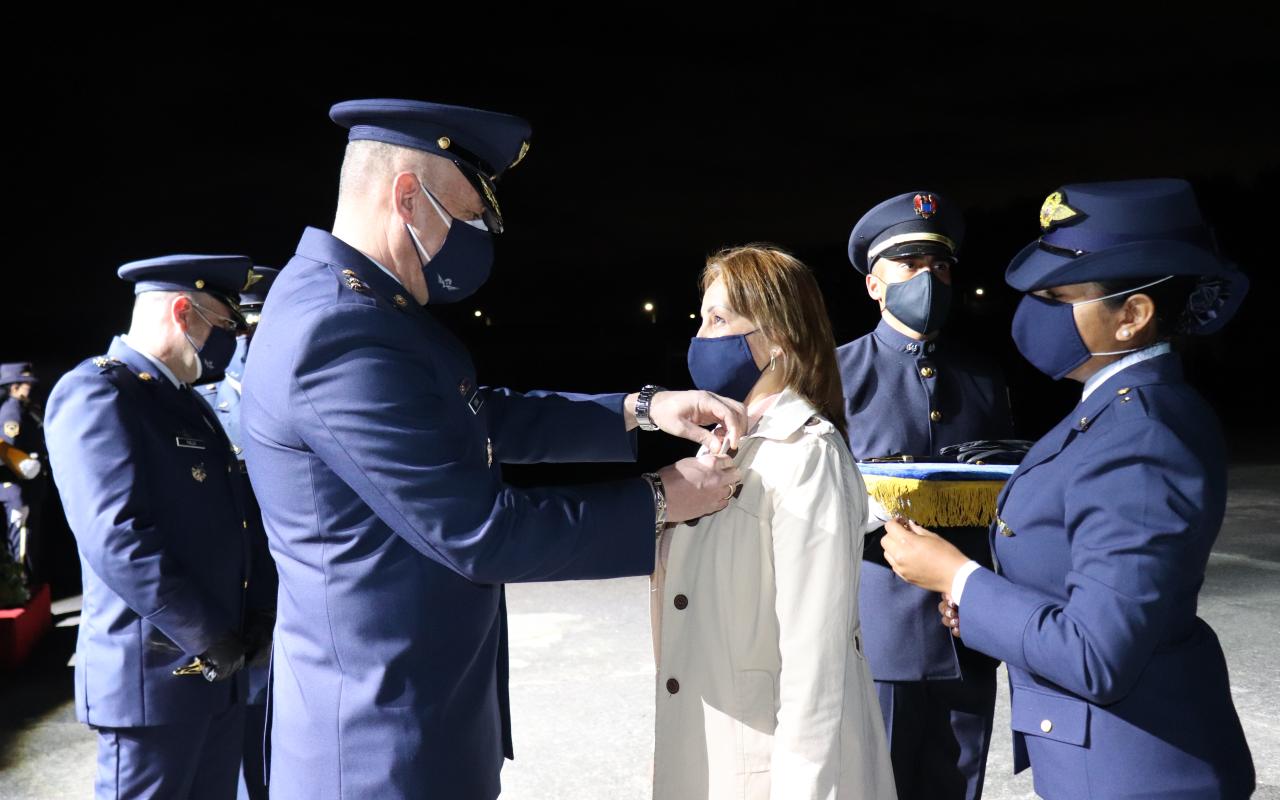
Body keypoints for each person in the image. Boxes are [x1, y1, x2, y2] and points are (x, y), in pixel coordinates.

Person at [240, 98, 746, 800]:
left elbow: (477, 418)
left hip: (421, 716)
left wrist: (642, 409)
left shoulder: (372, 312)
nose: (481, 232)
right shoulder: (337, 332)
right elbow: (482, 533)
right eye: (472, 211)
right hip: (377, 749)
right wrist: (664, 497)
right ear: (408, 197)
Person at [882, 179, 1256, 799]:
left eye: (1059, 296)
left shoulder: (1143, 436)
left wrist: (957, 578)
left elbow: (1096, 655)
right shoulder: (1110, 412)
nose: (1036, 310)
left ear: (1132, 315)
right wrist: (982, 604)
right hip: (1117, 760)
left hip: (1135, 774)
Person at [652, 244, 895, 800]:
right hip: (717, 756)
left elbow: (815, 661)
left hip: (773, 772)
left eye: (719, 320)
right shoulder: (726, 446)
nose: (701, 337)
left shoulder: (807, 453)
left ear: (779, 341)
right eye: (701, 319)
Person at [44, 254, 274, 799]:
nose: (233, 341)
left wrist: (256, 616)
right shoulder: (100, 393)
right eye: (225, 325)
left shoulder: (186, 404)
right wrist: (207, 637)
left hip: (221, 671)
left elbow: (237, 521)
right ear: (182, 311)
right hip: (154, 677)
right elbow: (117, 537)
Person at [837, 191, 1012, 799]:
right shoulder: (835, 375)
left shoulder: (985, 378)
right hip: (877, 633)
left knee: (958, 786)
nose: (928, 278)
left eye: (939, 265)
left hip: (968, 632)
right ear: (873, 286)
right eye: (910, 264)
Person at [195, 266, 280, 800]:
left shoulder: (306, 393)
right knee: (247, 744)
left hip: (302, 597)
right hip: (241, 606)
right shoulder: (201, 409)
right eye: (246, 322)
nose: (253, 334)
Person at [1, 362, 49, 580]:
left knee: (29, 538)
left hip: (28, 487)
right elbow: (6, 450)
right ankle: (22, 587)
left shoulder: (25, 409)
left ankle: (28, 585)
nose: (30, 388)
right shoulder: (11, 412)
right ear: (14, 387)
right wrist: (28, 464)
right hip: (18, 488)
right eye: (26, 384)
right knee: (21, 540)